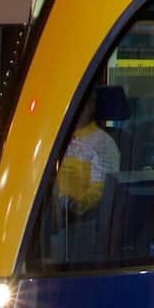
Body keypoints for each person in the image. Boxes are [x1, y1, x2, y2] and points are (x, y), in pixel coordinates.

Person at [56, 88, 121, 216]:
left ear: (91, 106)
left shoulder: (103, 143)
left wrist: (72, 206)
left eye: (79, 103)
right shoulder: (56, 138)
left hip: (75, 221)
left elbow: (100, 190)